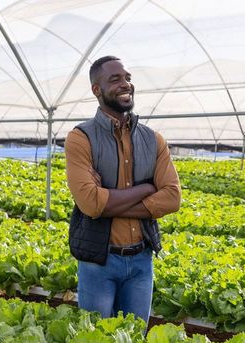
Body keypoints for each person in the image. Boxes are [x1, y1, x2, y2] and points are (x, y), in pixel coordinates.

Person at [65, 55, 181, 323]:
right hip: (98, 262)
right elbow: (91, 204)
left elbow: (172, 198)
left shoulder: (154, 139)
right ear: (97, 89)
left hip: (141, 261)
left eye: (128, 78)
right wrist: (146, 189)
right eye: (115, 79)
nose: (125, 83)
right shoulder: (80, 138)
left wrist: (109, 201)